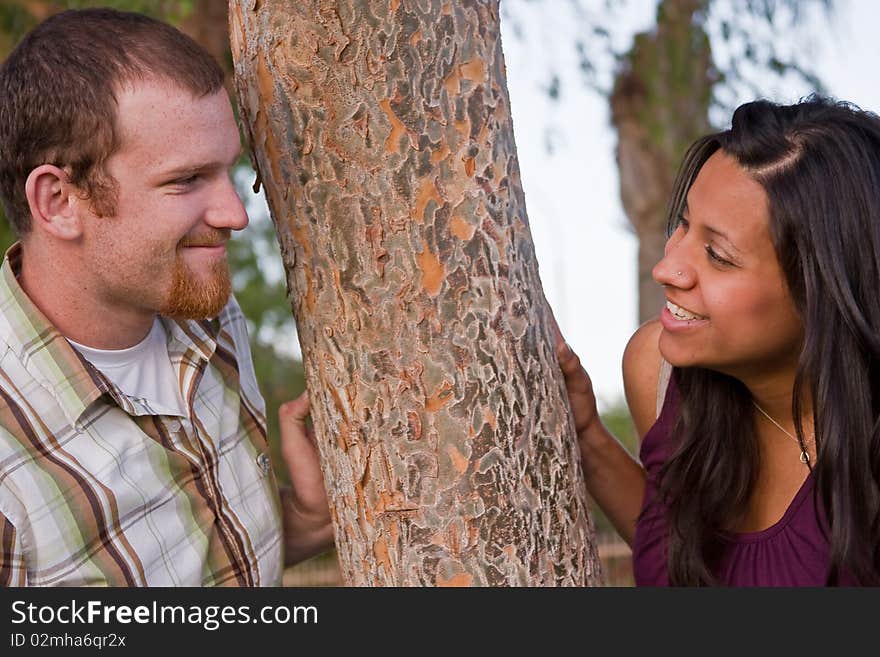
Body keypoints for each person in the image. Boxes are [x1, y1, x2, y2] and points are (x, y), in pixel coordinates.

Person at [0, 8, 332, 586]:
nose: (234, 215)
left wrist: (303, 516)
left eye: (228, 172)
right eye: (186, 180)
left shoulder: (209, 316)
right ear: (59, 201)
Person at [555, 94, 880, 586]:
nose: (667, 269)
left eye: (719, 256)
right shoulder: (659, 373)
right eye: (683, 224)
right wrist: (588, 439)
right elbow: (678, 551)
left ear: (823, 292)